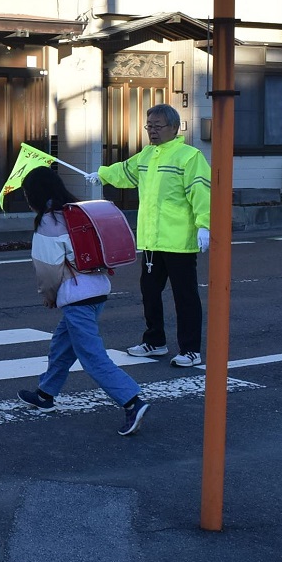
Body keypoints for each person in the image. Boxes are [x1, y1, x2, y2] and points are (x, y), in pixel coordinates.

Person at [15, 166, 149, 436]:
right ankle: (45, 393)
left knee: (91, 355)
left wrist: (49, 296)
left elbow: (47, 269)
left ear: (35, 195)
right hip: (97, 289)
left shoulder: (48, 222)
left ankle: (132, 401)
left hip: (76, 296)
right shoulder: (75, 211)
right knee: (63, 346)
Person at [86, 103, 211, 367]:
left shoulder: (189, 156)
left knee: (184, 296)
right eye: (149, 126)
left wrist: (205, 225)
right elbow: (125, 171)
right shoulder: (147, 155)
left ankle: (190, 349)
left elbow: (201, 193)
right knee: (150, 292)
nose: (152, 131)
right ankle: (155, 341)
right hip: (152, 240)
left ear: (174, 128)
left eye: (157, 126)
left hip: (179, 241)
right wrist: (102, 175)